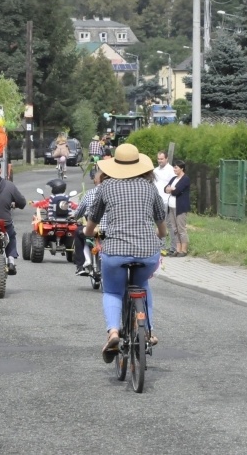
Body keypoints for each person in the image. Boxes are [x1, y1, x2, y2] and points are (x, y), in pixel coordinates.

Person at [85, 143, 167, 362]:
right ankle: (147, 331)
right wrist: (159, 236)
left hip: (115, 252)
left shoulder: (106, 187)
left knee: (112, 292)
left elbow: (93, 218)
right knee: (142, 286)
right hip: (147, 252)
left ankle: (113, 332)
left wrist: (89, 232)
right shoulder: (149, 188)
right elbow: (161, 222)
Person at [72, 168, 107, 276]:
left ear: (95, 181)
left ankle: (80, 265)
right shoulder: (114, 193)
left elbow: (79, 212)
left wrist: (74, 216)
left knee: (78, 232)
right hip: (110, 230)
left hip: (94, 229)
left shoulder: (90, 193)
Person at [164, 160, 191, 257]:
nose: (174, 169)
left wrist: (170, 189)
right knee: (174, 229)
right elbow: (165, 189)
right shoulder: (173, 178)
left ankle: (184, 250)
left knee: (181, 229)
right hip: (171, 207)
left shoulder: (185, 179)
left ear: (182, 168)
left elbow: (177, 191)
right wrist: (170, 189)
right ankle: (177, 249)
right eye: (174, 167)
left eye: (176, 167)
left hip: (180, 207)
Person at [153, 151, 176, 256]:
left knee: (167, 224)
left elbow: (175, 184)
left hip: (166, 200)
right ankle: (161, 246)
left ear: (166, 159)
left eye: (162, 159)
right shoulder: (155, 170)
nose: (160, 161)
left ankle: (172, 246)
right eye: (158, 159)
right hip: (156, 200)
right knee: (158, 223)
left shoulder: (171, 170)